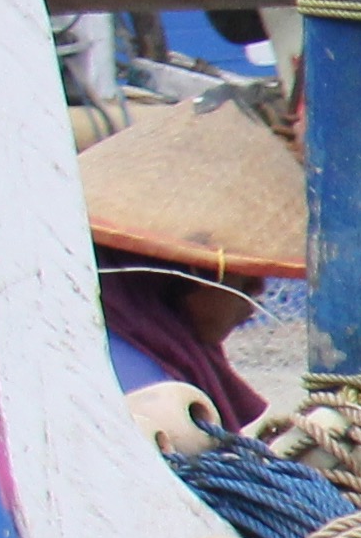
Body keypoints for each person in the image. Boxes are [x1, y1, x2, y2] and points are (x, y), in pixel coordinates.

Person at [75, 99, 305, 436]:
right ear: (187, 277)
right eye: (245, 283)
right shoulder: (146, 390)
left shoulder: (126, 339)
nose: (257, 298)